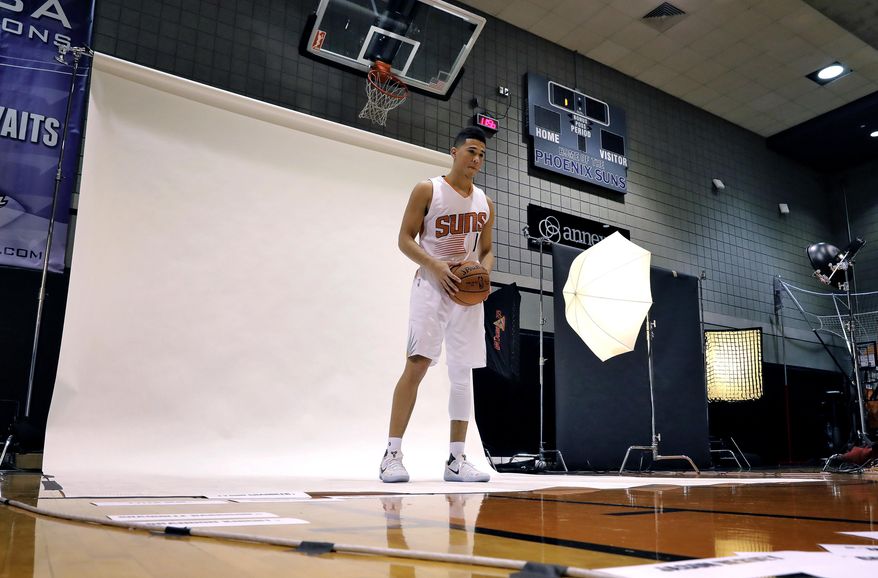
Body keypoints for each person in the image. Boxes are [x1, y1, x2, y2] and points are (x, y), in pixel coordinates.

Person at [380, 126, 495, 483]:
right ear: (454, 151)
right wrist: (434, 264)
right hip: (431, 287)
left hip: (466, 294)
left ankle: (456, 460)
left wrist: (483, 274)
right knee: (417, 365)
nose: (476, 160)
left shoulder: (485, 202)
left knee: (463, 374)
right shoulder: (428, 189)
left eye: (481, 155)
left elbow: (487, 251)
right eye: (471, 151)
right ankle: (392, 455)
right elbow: (404, 238)